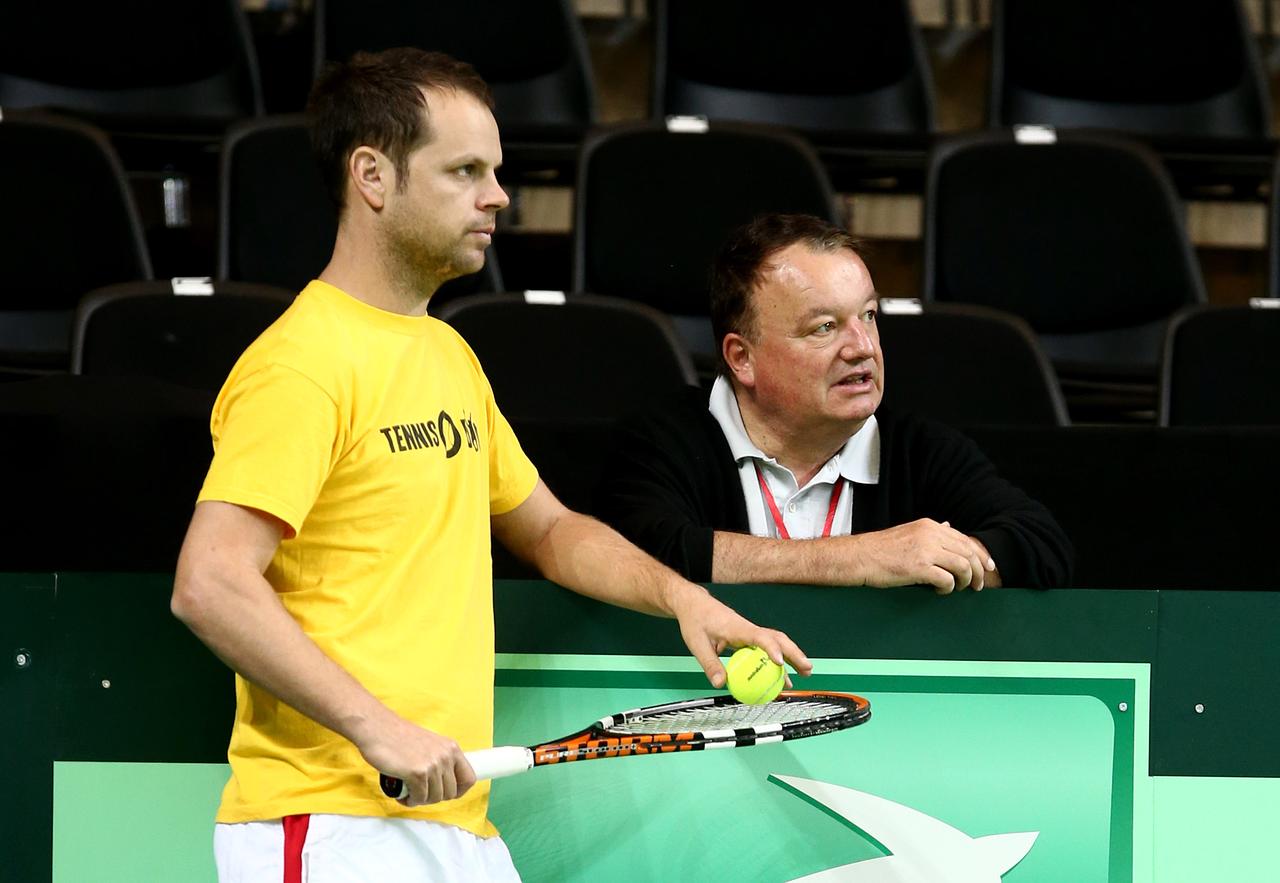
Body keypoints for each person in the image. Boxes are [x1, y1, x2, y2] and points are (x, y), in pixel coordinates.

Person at [170, 49, 810, 882]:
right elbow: (210, 581)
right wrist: (375, 726)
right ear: (373, 175)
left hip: (453, 821)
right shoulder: (302, 363)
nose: (498, 196)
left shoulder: (448, 355)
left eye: (496, 170)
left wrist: (682, 597)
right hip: (329, 821)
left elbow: (548, 528)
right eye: (465, 170)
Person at [599, 213, 1073, 592]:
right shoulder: (661, 440)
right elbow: (641, 554)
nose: (863, 346)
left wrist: (946, 563)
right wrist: (862, 558)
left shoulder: (917, 448)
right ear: (742, 358)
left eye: (868, 316)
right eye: (824, 327)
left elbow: (1041, 546)